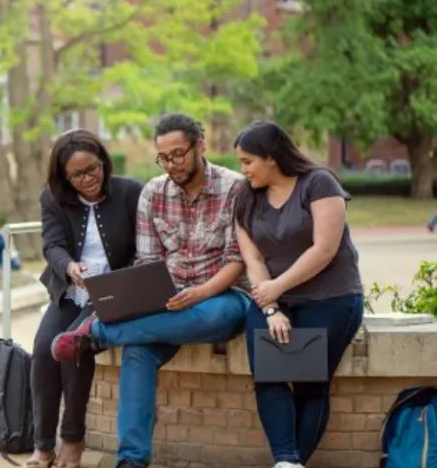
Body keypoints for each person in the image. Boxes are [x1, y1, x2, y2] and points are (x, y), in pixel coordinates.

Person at [50, 114, 250, 468]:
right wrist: (149, 298)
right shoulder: (153, 193)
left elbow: (238, 261)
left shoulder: (235, 188)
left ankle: (98, 334)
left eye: (179, 154)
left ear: (200, 144)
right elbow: (148, 262)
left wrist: (200, 293)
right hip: (166, 302)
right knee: (138, 352)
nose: (172, 164)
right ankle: (131, 460)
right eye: (164, 157)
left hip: (219, 297)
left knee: (216, 313)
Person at [232, 121, 364, 468]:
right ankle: (287, 460)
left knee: (310, 385)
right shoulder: (245, 196)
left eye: (248, 161)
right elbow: (254, 258)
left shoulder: (319, 183)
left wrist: (277, 286)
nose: (242, 170)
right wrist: (272, 306)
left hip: (330, 297)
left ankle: (292, 463)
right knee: (269, 378)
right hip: (272, 299)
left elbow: (324, 249)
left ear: (271, 157)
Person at [27, 129, 142, 468]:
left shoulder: (130, 192)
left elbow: (144, 246)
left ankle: (73, 441)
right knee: (42, 349)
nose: (88, 179)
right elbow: (52, 245)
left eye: (93, 169)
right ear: (64, 176)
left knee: (72, 347)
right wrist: (69, 267)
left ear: (103, 162)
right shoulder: (52, 198)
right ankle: (42, 444)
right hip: (71, 291)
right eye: (77, 175)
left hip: (113, 292)